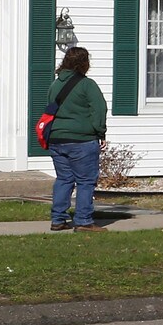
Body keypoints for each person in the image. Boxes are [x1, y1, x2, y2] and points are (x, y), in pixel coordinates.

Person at [44, 46, 108, 232]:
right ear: (84, 63)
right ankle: (83, 220)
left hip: (56, 138)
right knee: (85, 181)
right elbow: (99, 109)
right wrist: (100, 132)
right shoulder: (87, 84)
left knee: (64, 179)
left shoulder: (55, 84)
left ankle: (58, 219)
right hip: (81, 140)